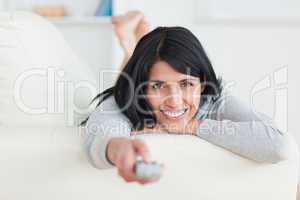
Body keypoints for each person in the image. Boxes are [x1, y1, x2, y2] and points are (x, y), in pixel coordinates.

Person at [83, 11, 291, 185]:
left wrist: (192, 127)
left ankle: (132, 46)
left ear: (202, 83)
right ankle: (131, 46)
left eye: (186, 84)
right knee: (126, 82)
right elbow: (103, 137)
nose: (175, 100)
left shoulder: (213, 99)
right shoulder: (122, 100)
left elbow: (278, 145)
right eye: (158, 86)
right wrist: (122, 149)